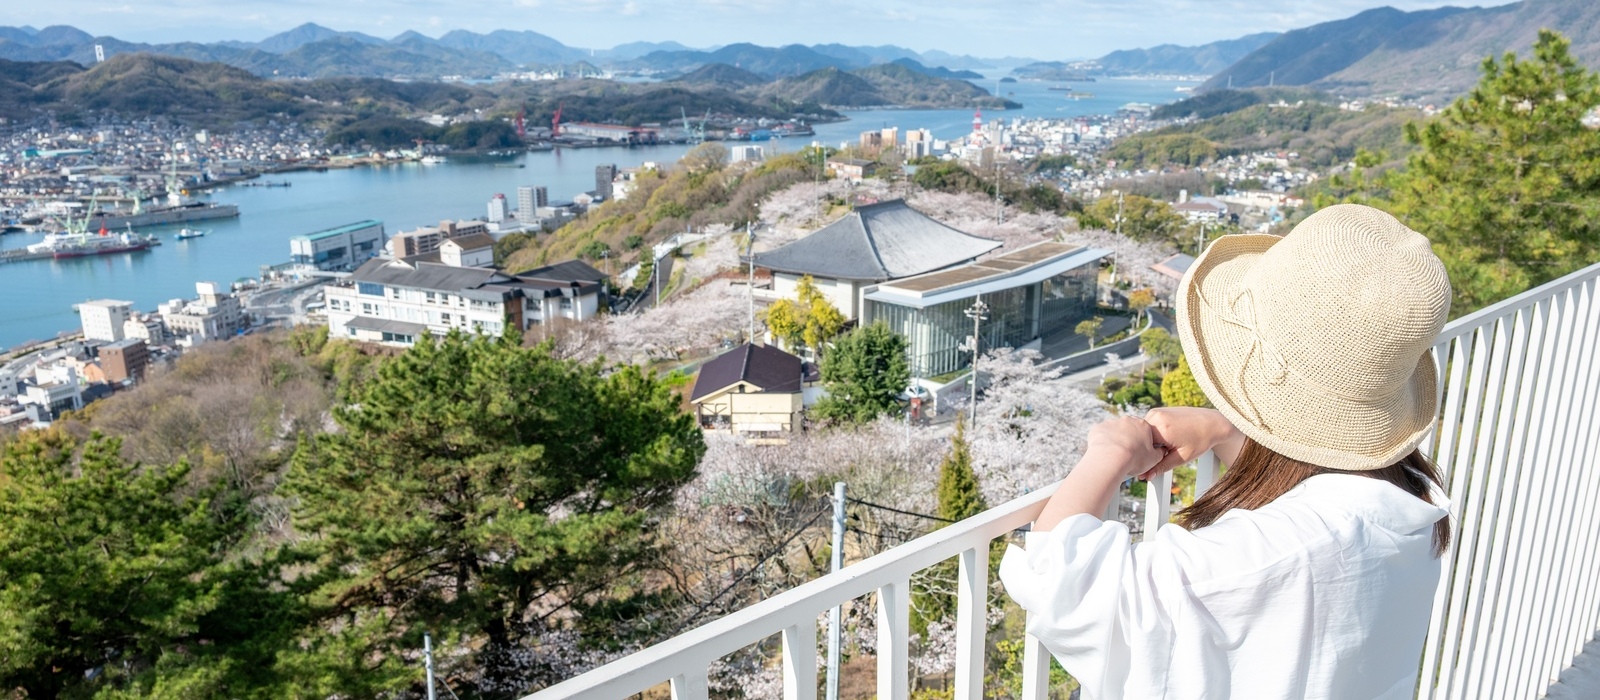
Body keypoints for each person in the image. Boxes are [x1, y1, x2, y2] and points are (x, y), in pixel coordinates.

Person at [999, 204, 1454, 700]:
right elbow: (1304, 489)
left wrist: (1109, 450)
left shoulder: (1269, 556)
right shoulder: (1413, 503)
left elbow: (1060, 579)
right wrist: (1227, 430)